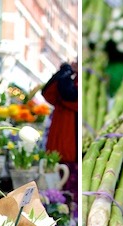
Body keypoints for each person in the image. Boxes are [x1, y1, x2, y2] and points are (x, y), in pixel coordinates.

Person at [41, 60, 79, 204]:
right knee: (55, 186)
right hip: (58, 148)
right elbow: (47, 92)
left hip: (71, 151)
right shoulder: (69, 82)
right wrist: (65, 72)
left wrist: (66, 75)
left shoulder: (76, 87)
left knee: (70, 191)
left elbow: (70, 96)